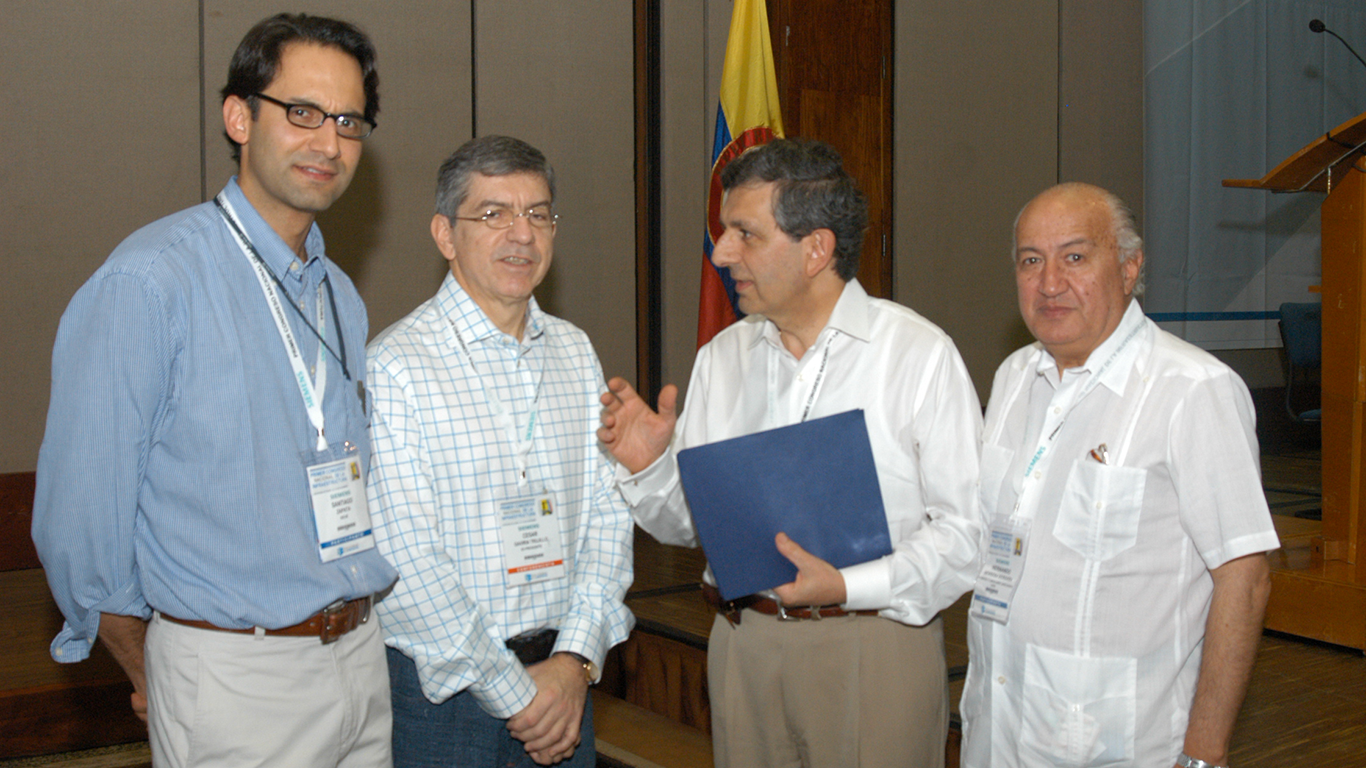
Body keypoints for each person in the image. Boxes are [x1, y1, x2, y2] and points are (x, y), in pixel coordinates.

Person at [31, 12, 396, 768]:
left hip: (362, 657)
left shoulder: (338, 295)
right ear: (238, 116)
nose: (328, 142)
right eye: (302, 113)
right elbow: (79, 522)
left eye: (349, 121)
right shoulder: (150, 284)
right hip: (235, 677)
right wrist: (149, 661)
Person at [598, 138, 982, 768]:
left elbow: (965, 534)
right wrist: (650, 467)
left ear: (817, 249)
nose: (721, 254)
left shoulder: (917, 355)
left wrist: (848, 585)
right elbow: (698, 526)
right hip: (742, 645)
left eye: (744, 233)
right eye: (723, 232)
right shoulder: (722, 359)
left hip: (872, 646)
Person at [959, 182, 1278, 768]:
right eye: (1031, 261)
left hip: (1121, 745)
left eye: (1075, 257)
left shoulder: (1192, 391)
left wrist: (1204, 755)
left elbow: (1245, 577)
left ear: (1130, 269)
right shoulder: (1012, 377)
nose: (1049, 282)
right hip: (999, 731)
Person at [367, 135, 634, 768]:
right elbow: (404, 559)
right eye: (494, 214)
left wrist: (573, 662)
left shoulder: (575, 351)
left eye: (538, 214)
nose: (522, 234)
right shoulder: (397, 366)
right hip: (444, 699)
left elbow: (609, 512)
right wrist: (517, 694)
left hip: (566, 683)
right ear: (444, 234)